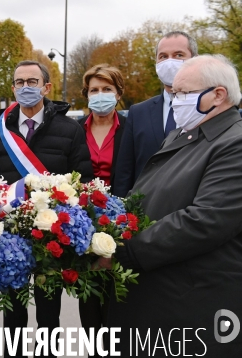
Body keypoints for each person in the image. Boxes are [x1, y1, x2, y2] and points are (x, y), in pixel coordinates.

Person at [106, 54, 242, 355]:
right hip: (162, 297)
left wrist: (123, 251)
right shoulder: (184, 134)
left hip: (194, 304)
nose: (175, 99)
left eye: (182, 93)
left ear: (218, 95)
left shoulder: (235, 142)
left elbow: (205, 220)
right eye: (172, 93)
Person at [0, 60, 93, 358]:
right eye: (19, 82)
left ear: (46, 87)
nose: (25, 88)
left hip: (50, 235)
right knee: (13, 313)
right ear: (13, 87)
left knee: (48, 312)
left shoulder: (71, 129)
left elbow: (82, 181)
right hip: (10, 237)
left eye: (32, 82)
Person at [76, 64, 127, 345]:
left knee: (116, 298)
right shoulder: (75, 130)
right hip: (84, 222)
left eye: (106, 89)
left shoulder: (129, 129)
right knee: (89, 297)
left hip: (120, 222)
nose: (100, 95)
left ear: (118, 93)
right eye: (94, 90)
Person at [113, 31, 197, 197]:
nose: (169, 62)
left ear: (195, 59)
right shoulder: (138, 112)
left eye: (178, 55)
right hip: (144, 211)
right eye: (163, 56)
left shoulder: (207, 109)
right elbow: (125, 170)